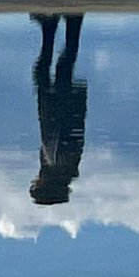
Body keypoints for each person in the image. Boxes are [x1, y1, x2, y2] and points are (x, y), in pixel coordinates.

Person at [28, 13, 88, 205]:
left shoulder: (66, 166)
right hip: (60, 105)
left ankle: (68, 23)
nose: (35, 179)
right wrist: (49, 100)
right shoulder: (57, 162)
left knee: (62, 65)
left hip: (66, 107)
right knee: (53, 68)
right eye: (36, 185)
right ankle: (54, 25)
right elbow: (54, 130)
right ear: (44, 184)